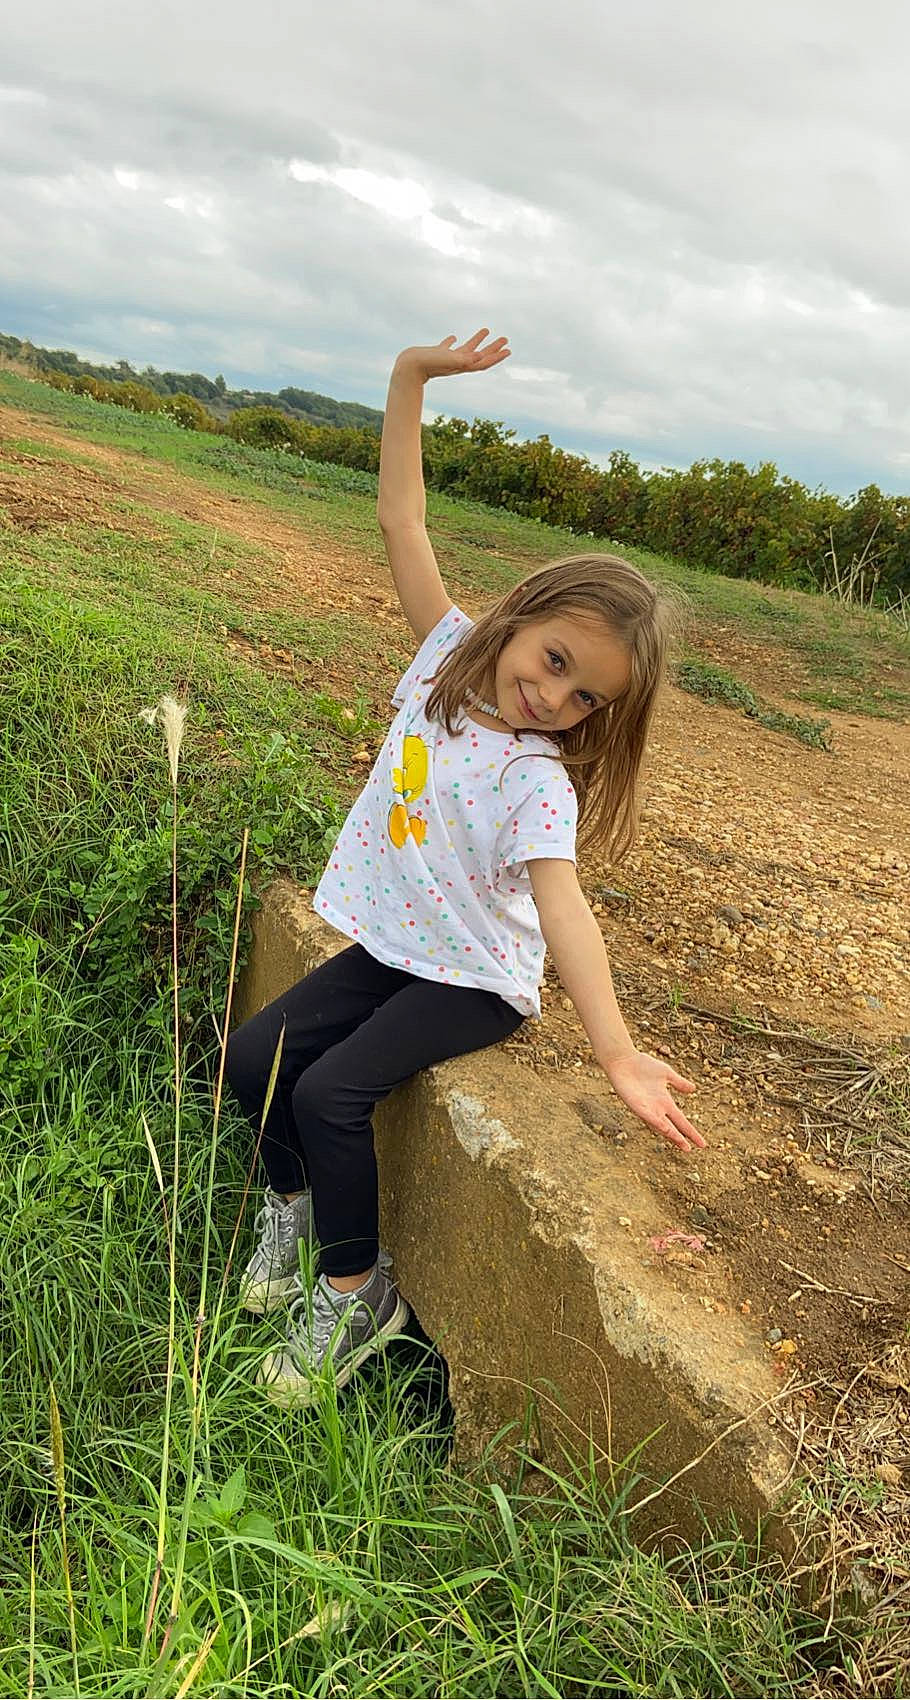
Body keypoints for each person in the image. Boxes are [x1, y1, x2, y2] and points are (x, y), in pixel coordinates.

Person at [224, 328, 706, 1408]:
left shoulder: (537, 780)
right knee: (256, 1058)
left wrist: (617, 1052)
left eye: (585, 696)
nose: (554, 697)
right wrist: (408, 377)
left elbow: (564, 910)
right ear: (518, 616)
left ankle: (357, 1294)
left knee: (330, 1092)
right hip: (404, 946)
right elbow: (402, 518)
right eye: (554, 660)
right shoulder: (444, 655)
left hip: (475, 977)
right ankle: (292, 1217)